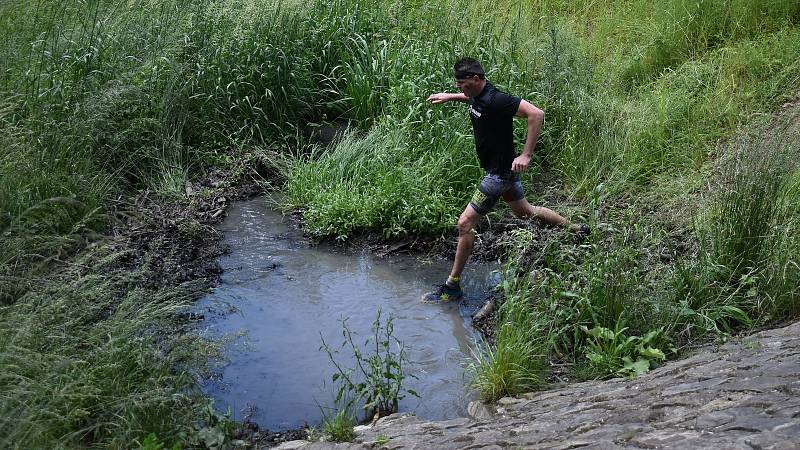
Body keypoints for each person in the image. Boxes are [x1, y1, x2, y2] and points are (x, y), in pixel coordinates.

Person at [422, 57, 588, 303]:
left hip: (498, 174)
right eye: (459, 86)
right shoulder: (477, 95)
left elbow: (536, 114)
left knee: (465, 223)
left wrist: (526, 154)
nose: (463, 90)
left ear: (477, 79)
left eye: (465, 85)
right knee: (525, 212)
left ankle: (452, 287)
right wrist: (450, 96)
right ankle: (576, 229)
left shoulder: (497, 99)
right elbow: (473, 99)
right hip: (503, 171)